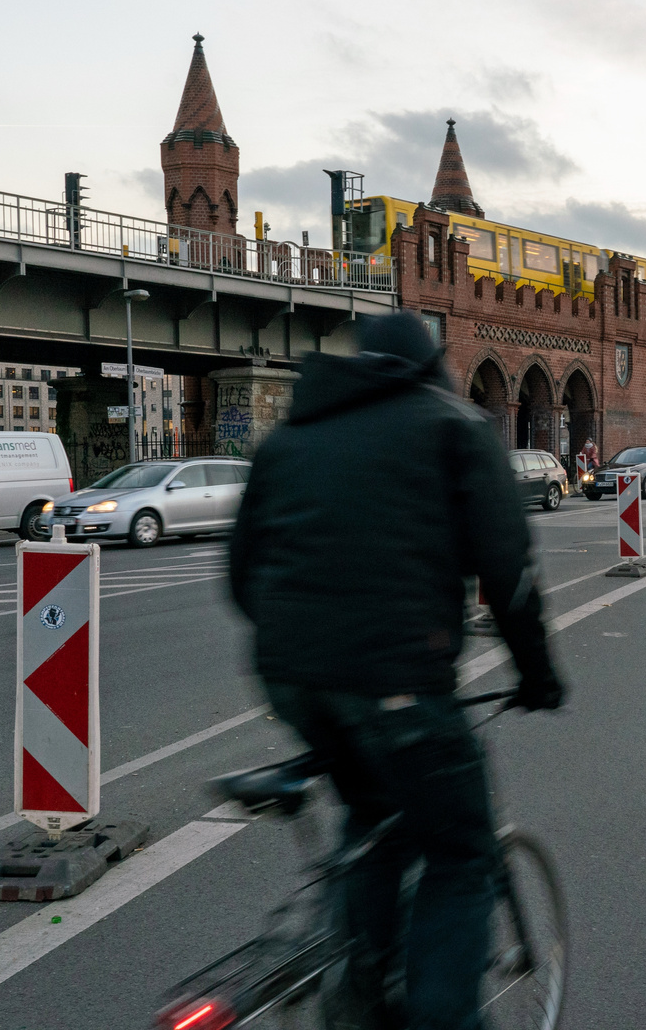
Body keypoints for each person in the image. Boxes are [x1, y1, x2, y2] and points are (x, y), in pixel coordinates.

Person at [229, 312, 562, 1030]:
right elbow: (508, 576)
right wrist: (537, 674)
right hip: (399, 680)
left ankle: (362, 994)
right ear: (430, 364)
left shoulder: (287, 439)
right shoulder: (452, 427)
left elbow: (240, 577)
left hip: (291, 680)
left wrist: (305, 646)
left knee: (376, 815)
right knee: (459, 853)